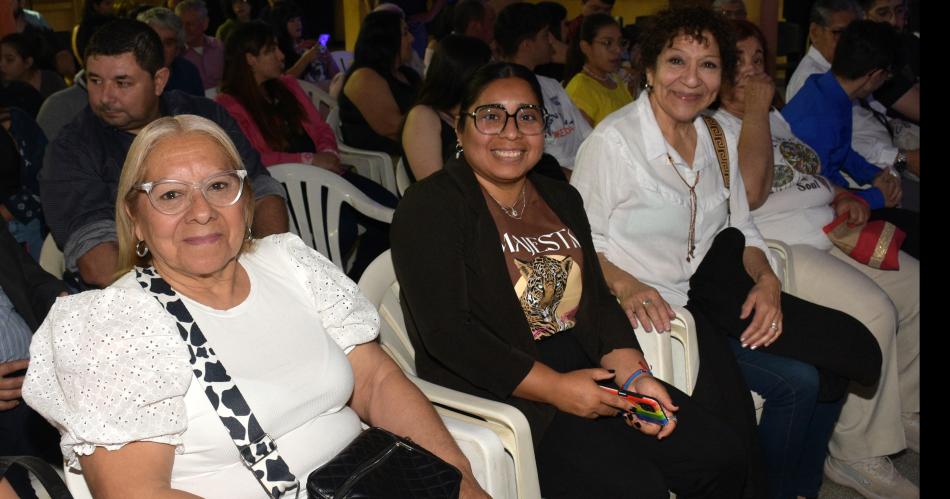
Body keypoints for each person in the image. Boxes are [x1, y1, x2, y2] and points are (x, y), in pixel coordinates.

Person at [22, 114, 487, 498]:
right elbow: (136, 493)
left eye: (219, 187)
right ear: (135, 220)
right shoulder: (115, 326)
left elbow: (377, 381)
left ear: (246, 202)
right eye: (170, 195)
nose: (200, 210)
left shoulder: (288, 262)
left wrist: (457, 480)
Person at [392, 60, 749, 499]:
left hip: (584, 363)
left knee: (719, 452)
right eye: (490, 116)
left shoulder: (560, 195)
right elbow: (450, 335)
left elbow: (597, 300)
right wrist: (557, 389)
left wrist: (635, 379)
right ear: (460, 128)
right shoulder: (430, 207)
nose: (511, 132)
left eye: (527, 116)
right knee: (636, 488)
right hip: (505, 385)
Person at [569, 8, 881, 499]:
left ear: (722, 77)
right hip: (652, 315)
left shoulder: (719, 135)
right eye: (676, 61)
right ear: (648, 70)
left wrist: (767, 280)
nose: (691, 80)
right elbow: (579, 244)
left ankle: (800, 487)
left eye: (708, 65)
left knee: (839, 359)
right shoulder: (615, 143)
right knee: (796, 382)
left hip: (714, 294)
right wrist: (626, 282)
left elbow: (743, 225)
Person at [714, 19, 919, 499]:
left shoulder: (775, 115)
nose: (750, 72)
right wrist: (758, 113)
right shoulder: (713, 124)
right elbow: (753, 191)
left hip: (827, 229)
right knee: (873, 312)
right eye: (737, 61)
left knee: (914, 287)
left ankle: (905, 410)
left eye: (757, 60)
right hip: (774, 247)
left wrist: (843, 193)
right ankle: (854, 455)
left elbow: (805, 171)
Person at [39, 18, 287, 290]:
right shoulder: (72, 149)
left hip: (232, 273)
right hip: (135, 297)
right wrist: (194, 295)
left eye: (122, 83)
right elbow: (97, 262)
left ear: (159, 81)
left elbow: (263, 192)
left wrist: (267, 266)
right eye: (95, 81)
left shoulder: (205, 117)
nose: (104, 97)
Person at [216, 21, 397, 280]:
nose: (281, 56)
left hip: (330, 175)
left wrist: (328, 153)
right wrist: (310, 160)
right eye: (270, 51)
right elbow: (252, 157)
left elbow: (321, 128)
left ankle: (359, 282)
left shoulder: (288, 86)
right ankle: (334, 287)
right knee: (341, 232)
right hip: (289, 187)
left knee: (394, 213)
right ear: (250, 60)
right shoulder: (230, 105)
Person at [781, 20, 919, 259]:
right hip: (821, 213)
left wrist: (874, 174)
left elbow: (841, 150)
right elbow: (816, 191)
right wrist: (877, 196)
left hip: (840, 194)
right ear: (875, 75)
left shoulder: (830, 89)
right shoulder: (818, 118)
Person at [494, 2, 591, 175]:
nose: (552, 41)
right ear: (527, 45)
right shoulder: (499, 95)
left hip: (584, 174)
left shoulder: (552, 85)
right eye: (546, 35)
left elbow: (588, 137)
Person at [401, 34, 491, 182]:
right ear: (465, 75)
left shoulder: (471, 113)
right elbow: (433, 186)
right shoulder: (423, 117)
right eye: (486, 73)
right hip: (449, 202)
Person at [339, 10, 420, 157]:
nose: (412, 39)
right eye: (405, 33)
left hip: (413, 147)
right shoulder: (364, 77)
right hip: (388, 160)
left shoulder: (406, 74)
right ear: (386, 40)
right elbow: (394, 128)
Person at [564, 13, 634, 127]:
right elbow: (582, 143)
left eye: (620, 42)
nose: (618, 50)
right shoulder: (580, 89)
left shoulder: (615, 80)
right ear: (585, 47)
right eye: (607, 43)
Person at [267, 2, 339, 88]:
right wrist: (307, 57)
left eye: (298, 19)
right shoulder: (279, 51)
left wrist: (328, 57)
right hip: (309, 94)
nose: (298, 24)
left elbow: (336, 75)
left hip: (326, 91)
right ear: (281, 24)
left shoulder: (308, 44)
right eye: (292, 21)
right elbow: (283, 81)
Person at [136, 7, 205, 97]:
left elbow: (200, 109)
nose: (160, 49)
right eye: (154, 41)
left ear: (177, 48)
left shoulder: (189, 72)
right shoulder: (128, 73)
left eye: (168, 43)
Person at [175, 0, 225, 90]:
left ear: (205, 23)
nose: (184, 29)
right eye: (180, 25)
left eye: (190, 24)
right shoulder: (175, 54)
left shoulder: (219, 47)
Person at [0, 33, 66, 100]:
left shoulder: (52, 81)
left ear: (28, 63)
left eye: (9, 60)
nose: (1, 64)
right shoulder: (3, 85)